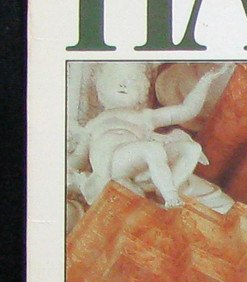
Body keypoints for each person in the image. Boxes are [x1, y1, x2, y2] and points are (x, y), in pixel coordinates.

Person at [68, 63, 221, 207]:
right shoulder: (95, 122)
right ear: (101, 90)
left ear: (141, 92)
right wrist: (67, 170)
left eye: (132, 82)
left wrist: (205, 81)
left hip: (140, 159)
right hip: (112, 165)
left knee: (191, 148)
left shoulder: (145, 117)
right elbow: (79, 156)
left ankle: (165, 190)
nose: (123, 85)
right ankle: (170, 195)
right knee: (151, 148)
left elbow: (186, 110)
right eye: (115, 80)